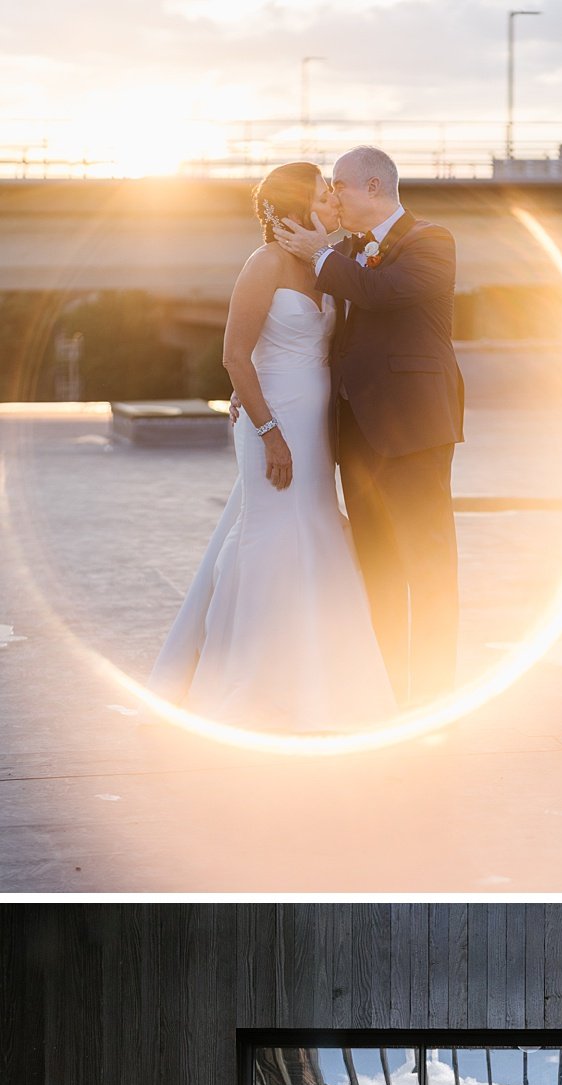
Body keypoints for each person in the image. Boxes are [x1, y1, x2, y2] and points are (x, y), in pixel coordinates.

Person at [148, 162, 397, 732]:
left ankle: (320, 678)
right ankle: (254, 684)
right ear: (296, 205)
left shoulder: (325, 264)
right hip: (273, 426)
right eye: (324, 194)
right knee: (270, 537)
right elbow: (235, 355)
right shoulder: (263, 264)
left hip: (317, 427)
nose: (335, 201)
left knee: (313, 533)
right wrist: (266, 428)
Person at [275, 146, 465, 706]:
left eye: (339, 186)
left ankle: (433, 697)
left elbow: (383, 293)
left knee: (427, 567)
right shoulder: (350, 251)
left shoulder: (431, 240)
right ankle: (388, 692)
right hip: (357, 436)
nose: (332, 197)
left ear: (374, 187)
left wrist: (319, 255)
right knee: (377, 569)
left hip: (414, 432)